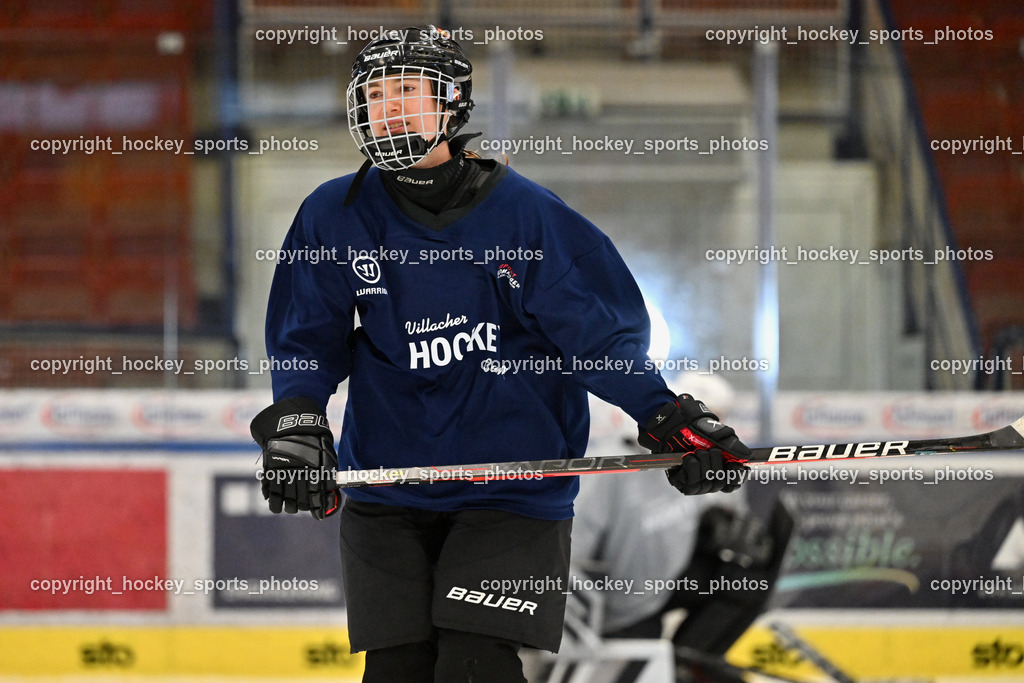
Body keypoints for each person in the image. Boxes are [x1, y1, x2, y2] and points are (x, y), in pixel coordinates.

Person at [248, 26, 750, 683]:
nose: (388, 109)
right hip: (388, 487)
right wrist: (299, 419)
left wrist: (665, 413)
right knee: (397, 670)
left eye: (406, 91)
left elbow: (596, 337)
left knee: (473, 665)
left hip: (513, 492)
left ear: (453, 103)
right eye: (374, 96)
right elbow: (306, 334)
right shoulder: (332, 214)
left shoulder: (526, 217)